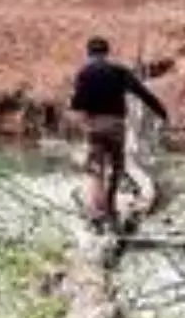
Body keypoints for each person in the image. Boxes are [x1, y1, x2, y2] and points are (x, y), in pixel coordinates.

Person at [69, 35, 169, 228]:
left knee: (95, 168)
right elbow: (142, 93)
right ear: (107, 52)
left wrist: (84, 115)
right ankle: (111, 207)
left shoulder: (84, 72)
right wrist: (161, 112)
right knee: (117, 167)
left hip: (94, 126)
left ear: (88, 53)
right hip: (116, 126)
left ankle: (96, 212)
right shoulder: (118, 71)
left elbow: (76, 104)